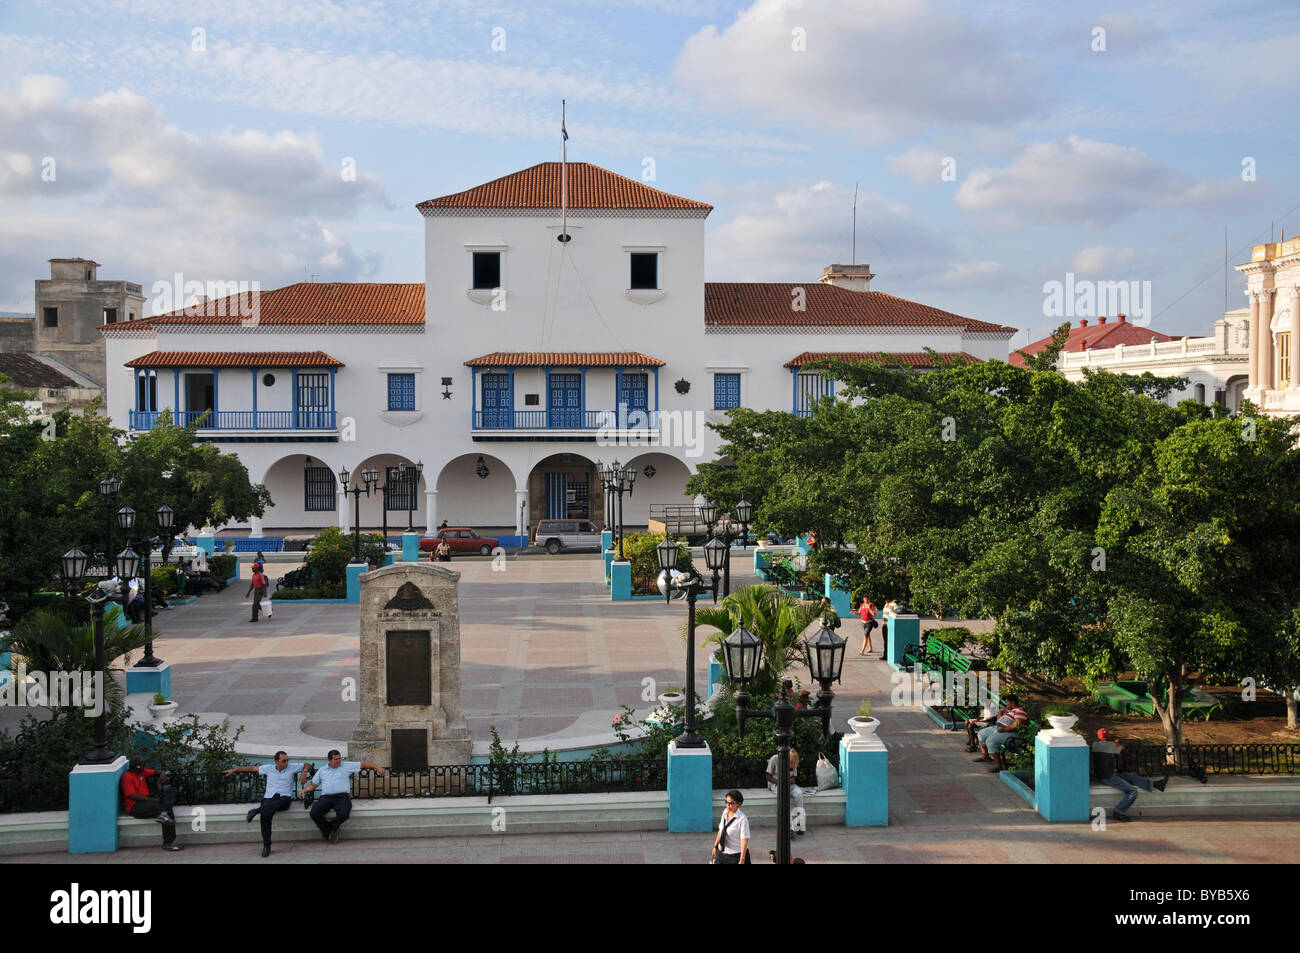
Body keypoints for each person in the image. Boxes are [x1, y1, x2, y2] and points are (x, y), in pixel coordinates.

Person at [225, 751, 304, 857]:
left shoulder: (292, 767)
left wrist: (305, 771)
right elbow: (252, 768)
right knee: (265, 816)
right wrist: (234, 770)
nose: (287, 762)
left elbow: (306, 764)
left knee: (283, 800)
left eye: (287, 760)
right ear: (277, 761)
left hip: (283, 799)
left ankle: (256, 810)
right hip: (269, 798)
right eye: (284, 761)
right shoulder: (268, 768)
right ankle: (267, 846)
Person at [299, 750, 386, 844]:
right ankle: (332, 831)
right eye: (336, 759)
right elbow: (313, 785)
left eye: (339, 758)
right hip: (326, 797)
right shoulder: (322, 770)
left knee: (344, 813)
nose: (338, 761)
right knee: (314, 813)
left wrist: (377, 767)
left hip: (342, 797)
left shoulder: (346, 766)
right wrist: (304, 790)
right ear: (329, 760)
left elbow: (363, 764)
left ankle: (330, 830)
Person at [1093, 728, 1167, 821]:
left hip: (1105, 775)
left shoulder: (1095, 745)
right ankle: (1119, 811)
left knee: (1130, 776)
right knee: (1133, 791)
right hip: (1108, 777)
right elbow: (1121, 748)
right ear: (1108, 737)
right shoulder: (1110, 745)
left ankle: (1155, 784)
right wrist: (1117, 743)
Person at [121, 755, 184, 851]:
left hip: (148, 800)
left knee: (172, 790)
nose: (144, 767)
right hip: (136, 806)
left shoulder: (141, 772)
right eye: (143, 765)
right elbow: (132, 795)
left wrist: (162, 774)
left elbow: (156, 772)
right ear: (136, 767)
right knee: (166, 812)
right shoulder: (127, 777)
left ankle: (163, 813)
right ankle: (168, 843)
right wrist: (152, 800)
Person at [972, 693, 1027, 772]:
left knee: (991, 741)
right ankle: (985, 756)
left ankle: (998, 766)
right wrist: (1000, 712)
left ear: (1012, 703)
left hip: (1011, 733)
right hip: (998, 728)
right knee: (981, 734)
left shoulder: (1020, 711)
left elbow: (1016, 725)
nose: (1006, 704)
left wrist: (1005, 729)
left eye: (1007, 702)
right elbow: (998, 720)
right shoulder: (1010, 711)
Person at [765, 748, 805, 834]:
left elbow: (794, 777)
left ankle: (799, 823)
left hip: (789, 785)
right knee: (785, 796)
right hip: (776, 784)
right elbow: (768, 776)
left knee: (799, 794)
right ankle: (790, 827)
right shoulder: (774, 759)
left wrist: (792, 780)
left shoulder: (794, 760)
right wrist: (780, 782)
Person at [711, 789, 750, 864]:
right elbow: (721, 830)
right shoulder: (725, 812)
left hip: (736, 856)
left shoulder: (742, 819)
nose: (727, 805)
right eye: (726, 802)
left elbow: (744, 840)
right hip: (722, 854)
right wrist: (715, 846)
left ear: (738, 804)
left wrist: (742, 859)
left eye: (731, 803)